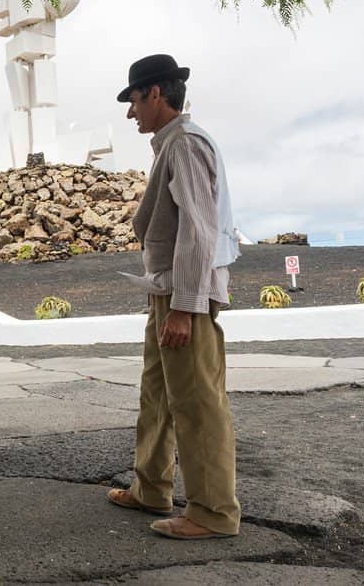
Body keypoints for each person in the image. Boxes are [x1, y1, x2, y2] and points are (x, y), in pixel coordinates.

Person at [106, 54, 242, 540]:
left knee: (197, 403)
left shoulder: (184, 144)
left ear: (156, 95)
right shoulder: (173, 144)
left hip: (186, 296)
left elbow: (198, 232)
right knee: (158, 394)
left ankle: (212, 513)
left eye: (134, 101)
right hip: (167, 293)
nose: (131, 114)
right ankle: (151, 487)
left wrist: (185, 307)